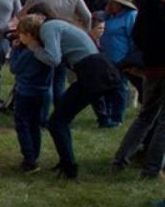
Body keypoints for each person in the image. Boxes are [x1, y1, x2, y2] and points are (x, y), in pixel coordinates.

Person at [17, 14, 121, 179]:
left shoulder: (48, 28)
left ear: (29, 32)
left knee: (57, 122)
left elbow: (53, 59)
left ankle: (69, 168)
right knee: (60, 121)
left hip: (93, 73)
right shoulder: (56, 25)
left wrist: (35, 48)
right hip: (96, 70)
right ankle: (66, 163)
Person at [112, 0, 165, 181]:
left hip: (151, 66)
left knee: (145, 117)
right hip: (158, 65)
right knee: (162, 123)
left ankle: (120, 160)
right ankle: (151, 170)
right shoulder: (152, 1)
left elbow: (137, 35)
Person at [20, 0, 92, 110]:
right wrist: (85, 32)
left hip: (45, 41)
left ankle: (43, 113)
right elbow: (88, 16)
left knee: (46, 81)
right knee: (59, 81)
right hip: (65, 42)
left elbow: (21, 14)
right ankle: (59, 110)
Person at [8, 31, 55, 173]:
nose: (19, 37)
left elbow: (14, 68)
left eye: (21, 33)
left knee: (23, 125)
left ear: (29, 35)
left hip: (26, 93)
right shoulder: (47, 52)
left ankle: (29, 160)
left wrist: (15, 50)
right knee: (35, 125)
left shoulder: (29, 53)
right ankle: (34, 156)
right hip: (43, 93)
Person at [96, 0, 138, 127]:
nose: (110, 4)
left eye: (113, 2)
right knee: (107, 86)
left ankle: (117, 117)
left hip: (121, 58)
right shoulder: (110, 16)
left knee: (120, 87)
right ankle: (107, 114)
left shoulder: (131, 16)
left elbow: (134, 38)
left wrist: (130, 58)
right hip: (106, 58)